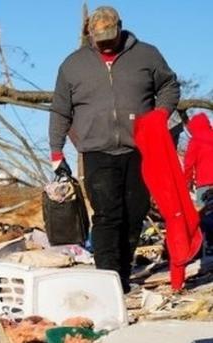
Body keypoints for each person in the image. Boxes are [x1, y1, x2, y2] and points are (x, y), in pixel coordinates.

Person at [49, 5, 181, 291]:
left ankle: (121, 273)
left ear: (120, 27)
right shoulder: (72, 65)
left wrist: (160, 114)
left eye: (111, 38)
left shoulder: (147, 55)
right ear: (90, 35)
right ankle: (108, 281)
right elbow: (60, 110)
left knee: (135, 212)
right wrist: (56, 153)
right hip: (96, 150)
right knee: (108, 214)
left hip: (141, 148)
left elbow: (170, 86)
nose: (106, 45)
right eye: (101, 41)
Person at [184, 113, 213, 257]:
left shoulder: (195, 141)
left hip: (205, 183)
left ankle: (209, 246)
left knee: (205, 215)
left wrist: (186, 183)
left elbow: (189, 164)